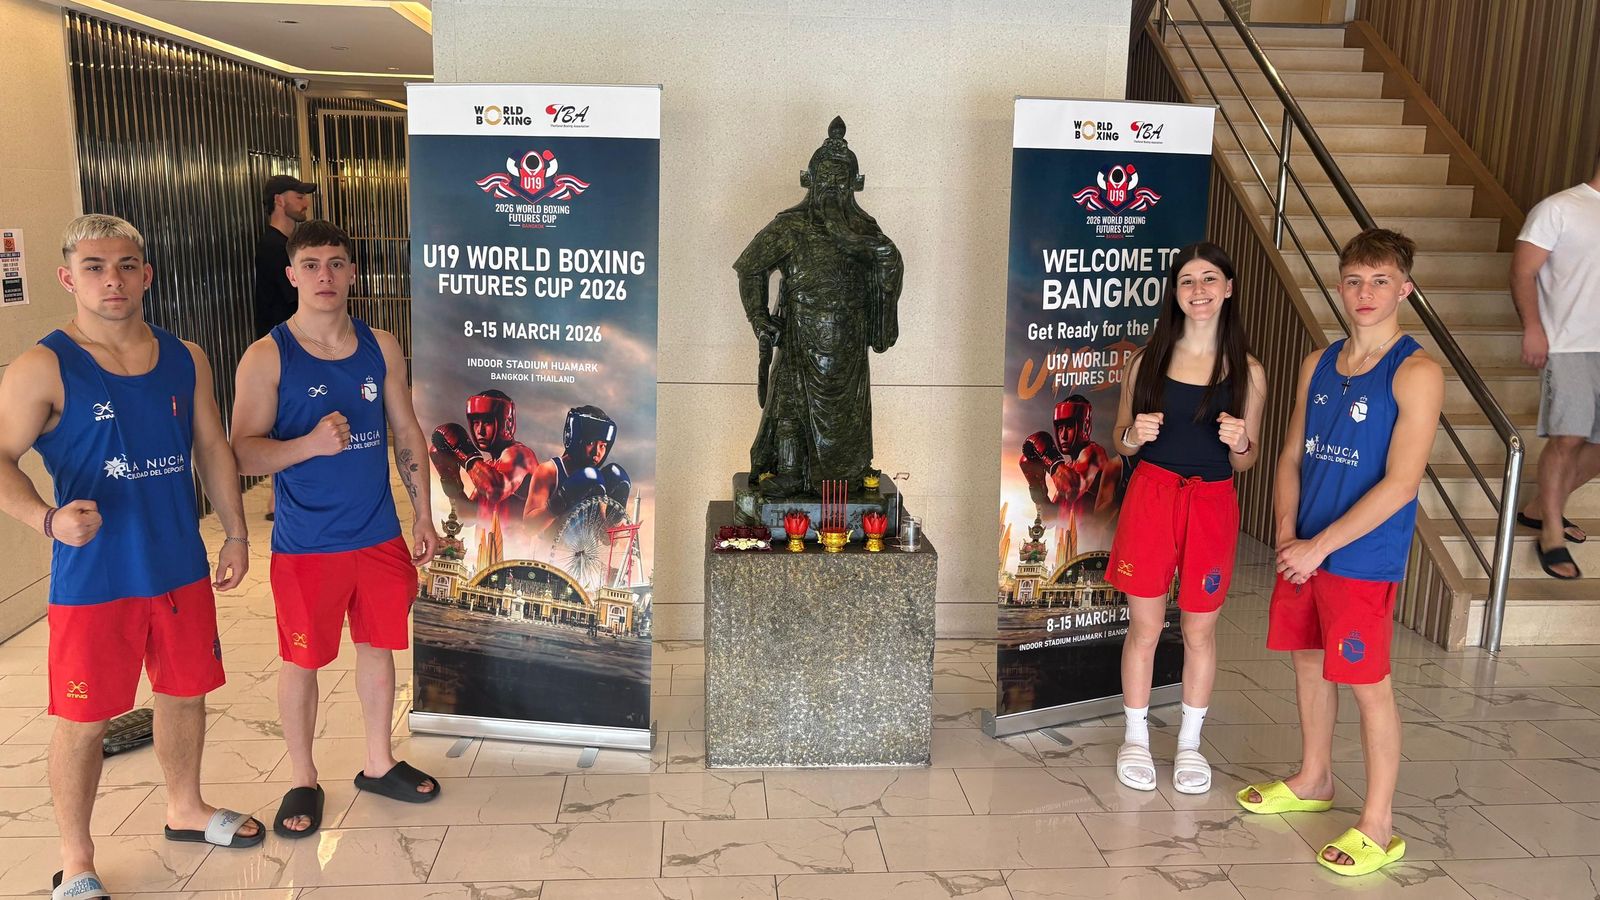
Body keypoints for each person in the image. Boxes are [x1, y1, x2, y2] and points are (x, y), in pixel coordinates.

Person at [0, 215, 263, 899]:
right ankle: (77, 858)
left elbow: (212, 447)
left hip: (177, 563)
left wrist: (235, 533)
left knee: (184, 694)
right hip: (96, 578)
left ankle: (185, 808)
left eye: (125, 265)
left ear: (147, 274)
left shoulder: (187, 356)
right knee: (83, 720)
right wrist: (46, 518)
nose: (111, 279)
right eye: (94, 267)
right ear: (68, 278)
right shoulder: (45, 366)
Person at [1238, 228, 1444, 877]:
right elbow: (1293, 454)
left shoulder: (1417, 371)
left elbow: (1401, 484)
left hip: (1359, 557)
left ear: (1403, 289)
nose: (1366, 293)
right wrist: (1285, 532)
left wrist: (1319, 547)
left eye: (1381, 281)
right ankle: (1314, 777)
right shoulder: (1317, 363)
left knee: (1367, 685)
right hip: (1304, 549)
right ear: (1339, 284)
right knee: (1306, 664)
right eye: (1355, 280)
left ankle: (1379, 825)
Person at [230, 219, 441, 840]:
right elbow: (241, 451)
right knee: (303, 661)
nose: (326, 275)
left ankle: (378, 762)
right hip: (307, 546)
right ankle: (303, 777)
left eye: (338, 263)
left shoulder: (382, 345)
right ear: (291, 274)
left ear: (352, 273)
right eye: (313, 264)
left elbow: (406, 430)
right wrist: (308, 445)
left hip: (377, 534)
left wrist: (423, 512)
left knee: (379, 648)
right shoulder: (268, 354)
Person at [1105, 242, 1266, 796]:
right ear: (1175, 293)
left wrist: (1242, 442)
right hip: (1151, 497)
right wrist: (1132, 438)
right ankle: (1136, 737)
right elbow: (1120, 440)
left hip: (1213, 502)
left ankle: (1191, 745)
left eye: (1209, 279)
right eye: (1187, 281)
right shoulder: (1146, 359)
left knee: (1200, 629)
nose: (1198, 291)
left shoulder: (1248, 371)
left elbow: (1248, 459)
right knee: (1145, 627)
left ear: (1228, 289)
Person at [737, 116, 903, 496]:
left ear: (855, 185)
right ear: (809, 179)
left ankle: (848, 473)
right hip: (800, 333)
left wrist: (878, 256)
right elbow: (750, 270)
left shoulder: (865, 231)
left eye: (841, 180)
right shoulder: (791, 226)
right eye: (825, 179)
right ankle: (791, 471)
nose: (832, 187)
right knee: (790, 405)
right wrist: (760, 317)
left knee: (848, 418)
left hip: (848, 341)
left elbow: (887, 266)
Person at [1513, 154, 1600, 579]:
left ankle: (1536, 508)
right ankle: (1551, 529)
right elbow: (1523, 272)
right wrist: (1533, 328)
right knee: (1569, 435)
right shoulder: (1559, 208)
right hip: (1568, 345)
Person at [255, 174, 316, 522]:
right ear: (280, 200)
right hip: (283, 349)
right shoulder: (273, 247)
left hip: (291, 345)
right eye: (299, 195)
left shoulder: (283, 244)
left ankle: (279, 498)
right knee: (284, 421)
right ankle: (278, 499)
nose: (305, 202)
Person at [430, 389, 540, 547]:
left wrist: (463, 451)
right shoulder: (487, 468)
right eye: (475, 423)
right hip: (486, 558)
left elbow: (495, 490)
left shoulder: (521, 454)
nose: (479, 430)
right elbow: (467, 516)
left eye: (487, 422)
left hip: (516, 556)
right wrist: (449, 476)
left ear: (507, 423)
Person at [1020, 394, 1123, 549]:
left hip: (1092, 551)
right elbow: (1049, 518)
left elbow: (1073, 488)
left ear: (1085, 426)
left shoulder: (1094, 453)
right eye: (1059, 427)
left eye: (1068, 426)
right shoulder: (1068, 467)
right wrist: (1035, 482)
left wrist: (1050, 460)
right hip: (1066, 553)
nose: (1062, 435)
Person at [525, 405, 631, 531]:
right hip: (545, 549)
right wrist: (561, 501)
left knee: (614, 476)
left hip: (581, 550)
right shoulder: (549, 471)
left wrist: (615, 521)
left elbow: (606, 540)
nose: (597, 452)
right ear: (575, 439)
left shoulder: (597, 482)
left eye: (603, 445)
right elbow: (528, 528)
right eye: (590, 443)